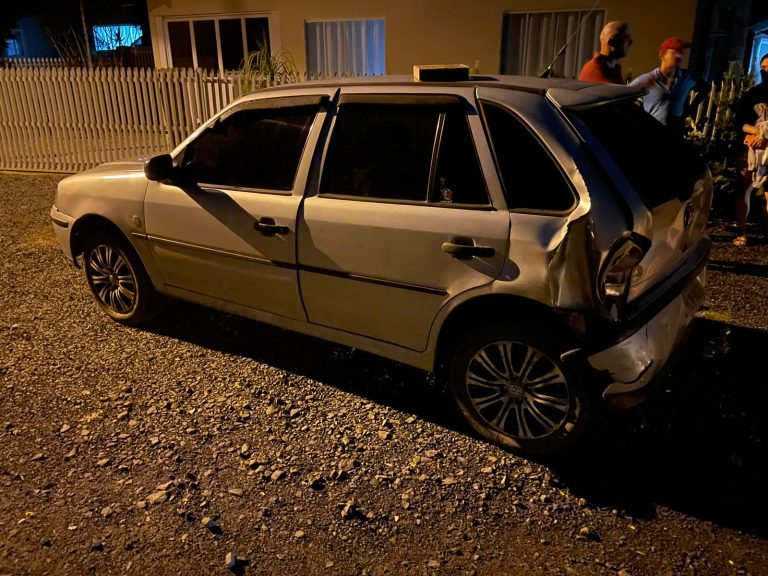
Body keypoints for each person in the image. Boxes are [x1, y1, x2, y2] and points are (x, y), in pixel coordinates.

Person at [732, 53, 768, 246]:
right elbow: (739, 122)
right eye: (762, 67)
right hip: (750, 147)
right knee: (743, 187)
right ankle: (742, 232)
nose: (765, 70)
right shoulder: (751, 94)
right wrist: (756, 134)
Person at [630, 38, 699, 132]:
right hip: (652, 135)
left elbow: (705, 88)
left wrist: (690, 110)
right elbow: (623, 97)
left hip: (675, 136)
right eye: (674, 52)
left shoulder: (687, 77)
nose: (679, 55)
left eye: (681, 52)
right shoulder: (647, 79)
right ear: (662, 55)